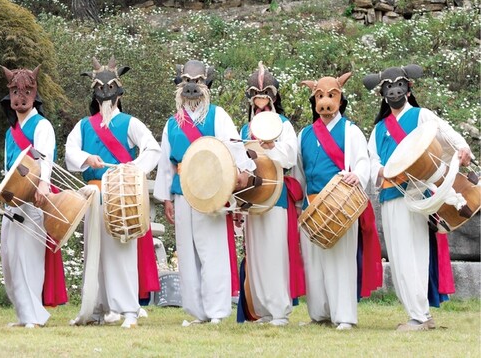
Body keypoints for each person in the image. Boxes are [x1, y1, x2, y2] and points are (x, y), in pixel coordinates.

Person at [363, 64, 473, 331]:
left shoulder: (421, 116)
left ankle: (420, 315)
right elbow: (371, 162)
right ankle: (416, 313)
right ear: (382, 93)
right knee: (399, 256)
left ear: (408, 88)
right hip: (391, 194)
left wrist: (463, 147)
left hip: (417, 194)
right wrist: (383, 172)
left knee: (415, 253)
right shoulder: (378, 130)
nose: (394, 91)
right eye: (388, 87)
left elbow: (444, 131)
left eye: (399, 85)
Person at [153, 60, 256, 326]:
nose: (192, 87)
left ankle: (217, 310)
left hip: (212, 190)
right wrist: (166, 198)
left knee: (213, 251)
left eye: (197, 81)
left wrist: (244, 171)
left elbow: (234, 147)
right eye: (187, 80)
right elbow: (166, 163)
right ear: (180, 86)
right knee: (187, 253)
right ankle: (196, 312)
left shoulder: (217, 115)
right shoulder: (172, 123)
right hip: (182, 190)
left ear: (206, 85)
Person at [65, 58, 160, 328]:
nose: (106, 94)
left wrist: (130, 172)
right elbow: (70, 152)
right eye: (101, 89)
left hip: (121, 196)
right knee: (94, 254)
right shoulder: (84, 125)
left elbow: (153, 150)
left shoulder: (130, 123)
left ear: (118, 93)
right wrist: (87, 158)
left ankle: (128, 310)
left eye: (110, 88)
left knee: (121, 252)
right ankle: (97, 308)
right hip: (93, 195)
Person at [298, 72, 373, 330]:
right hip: (312, 206)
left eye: (331, 95)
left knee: (341, 261)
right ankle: (319, 313)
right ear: (314, 100)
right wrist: (298, 204)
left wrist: (358, 176)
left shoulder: (350, 131)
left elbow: (362, 162)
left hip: (341, 205)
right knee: (313, 262)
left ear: (340, 100)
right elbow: (299, 172)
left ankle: (345, 316)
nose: (325, 101)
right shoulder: (304, 134)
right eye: (320, 96)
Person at [236, 63, 303, 327]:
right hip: (252, 195)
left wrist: (272, 146)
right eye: (256, 97)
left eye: (265, 97)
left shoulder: (284, 125)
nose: (261, 102)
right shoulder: (244, 129)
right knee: (255, 253)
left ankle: (279, 311)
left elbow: (290, 157)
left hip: (275, 194)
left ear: (273, 98)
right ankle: (262, 310)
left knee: (275, 253)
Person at [0, 65, 56, 328]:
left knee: (28, 258)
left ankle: (34, 316)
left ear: (34, 94)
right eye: (14, 92)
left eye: (26, 91)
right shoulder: (10, 132)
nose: (20, 97)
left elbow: (44, 157)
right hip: (12, 201)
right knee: (9, 259)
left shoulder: (42, 125)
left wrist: (44, 183)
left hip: (33, 199)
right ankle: (23, 316)